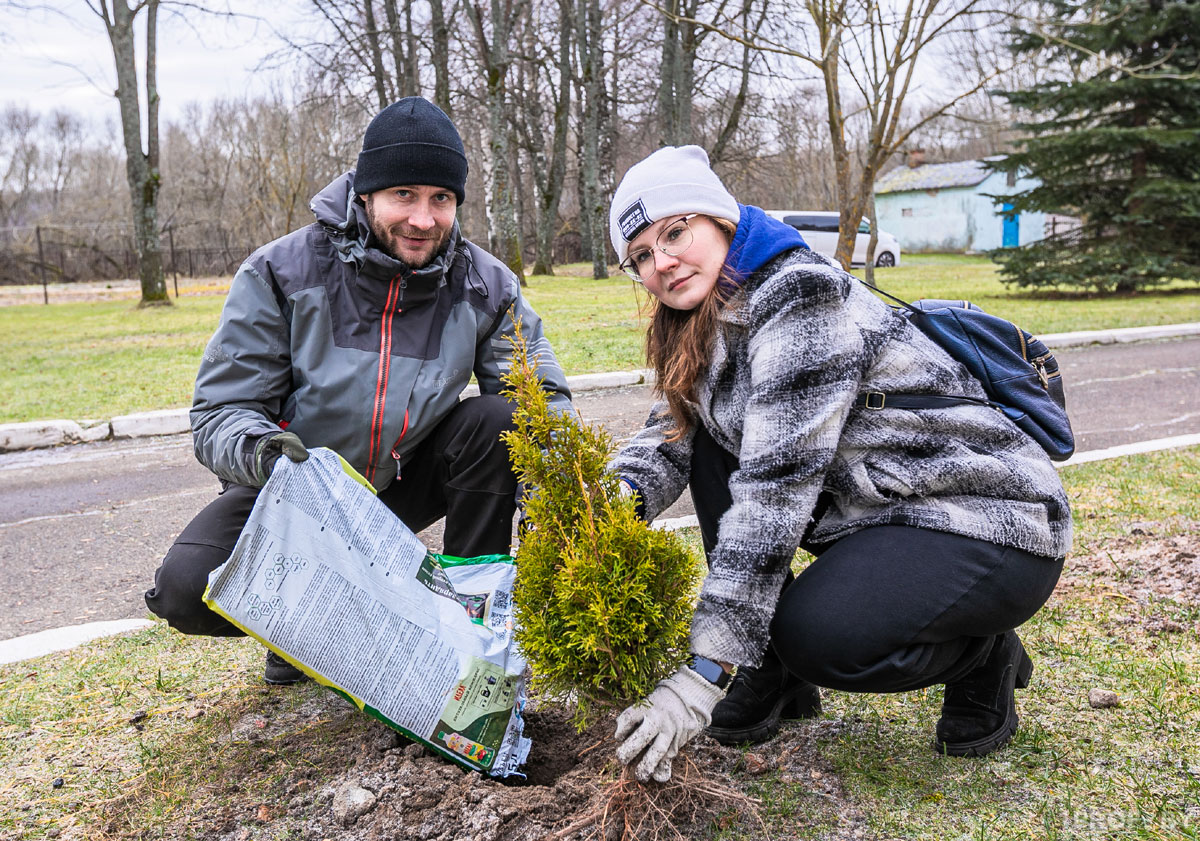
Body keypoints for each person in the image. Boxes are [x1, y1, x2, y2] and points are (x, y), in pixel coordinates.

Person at [607, 146, 1071, 783]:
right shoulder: (708, 316)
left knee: (822, 639)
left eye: (674, 233)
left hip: (983, 518)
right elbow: (670, 432)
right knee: (710, 439)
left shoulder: (800, 297)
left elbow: (776, 487)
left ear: (718, 218)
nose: (661, 262)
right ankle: (771, 674)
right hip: (884, 514)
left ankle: (984, 655)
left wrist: (705, 673)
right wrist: (602, 508)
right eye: (640, 257)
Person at [144, 97, 572, 685]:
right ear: (366, 193)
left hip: (403, 486)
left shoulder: (485, 284)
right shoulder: (280, 272)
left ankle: (467, 629)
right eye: (404, 195)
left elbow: (540, 400)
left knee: (497, 420)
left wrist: (564, 499)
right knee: (189, 588)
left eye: (440, 199)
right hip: (296, 496)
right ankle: (310, 630)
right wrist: (271, 456)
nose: (423, 219)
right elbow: (221, 411)